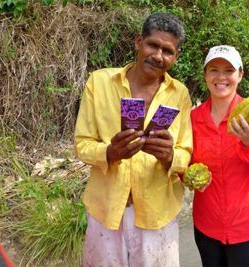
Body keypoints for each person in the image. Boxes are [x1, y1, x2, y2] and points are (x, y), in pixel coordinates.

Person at [74, 12, 193, 267]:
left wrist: (171, 156)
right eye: (153, 45)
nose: (158, 56)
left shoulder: (179, 94)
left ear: (176, 56)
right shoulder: (100, 82)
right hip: (105, 209)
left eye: (168, 51)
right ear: (139, 42)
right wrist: (109, 152)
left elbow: (186, 152)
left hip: (157, 212)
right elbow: (82, 144)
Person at [190, 45, 249, 267]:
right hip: (207, 225)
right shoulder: (193, 118)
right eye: (214, 70)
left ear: (240, 75)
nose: (221, 77)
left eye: (229, 71)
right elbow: (185, 160)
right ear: (205, 75)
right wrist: (188, 174)